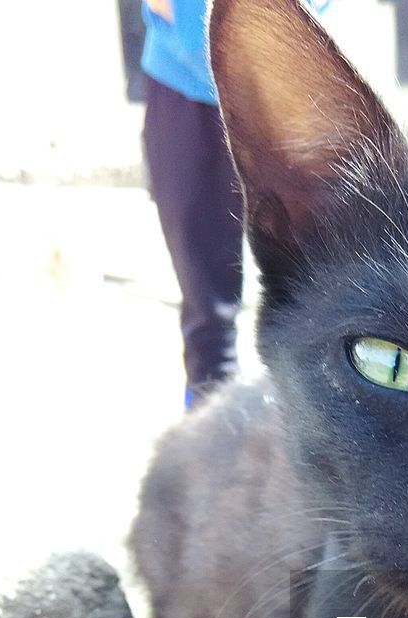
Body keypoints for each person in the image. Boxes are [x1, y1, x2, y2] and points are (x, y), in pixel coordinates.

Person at [141, 0, 244, 407]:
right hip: (182, 88)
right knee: (207, 304)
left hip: (285, 74)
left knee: (312, 283)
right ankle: (210, 428)